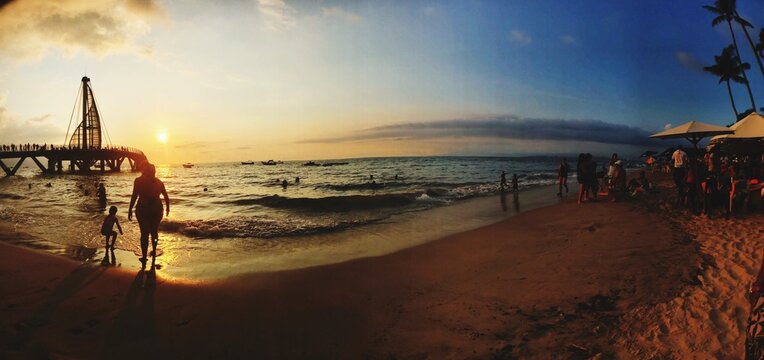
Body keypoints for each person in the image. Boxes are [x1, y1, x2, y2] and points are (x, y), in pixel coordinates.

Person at [128, 163, 170, 267]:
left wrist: (168, 207)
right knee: (149, 233)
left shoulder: (146, 181)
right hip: (148, 210)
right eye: (150, 172)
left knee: (148, 233)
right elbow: (165, 196)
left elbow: (165, 195)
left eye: (152, 172)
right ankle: (149, 254)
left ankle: (148, 254)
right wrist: (130, 209)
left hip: (151, 210)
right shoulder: (145, 181)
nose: (152, 173)